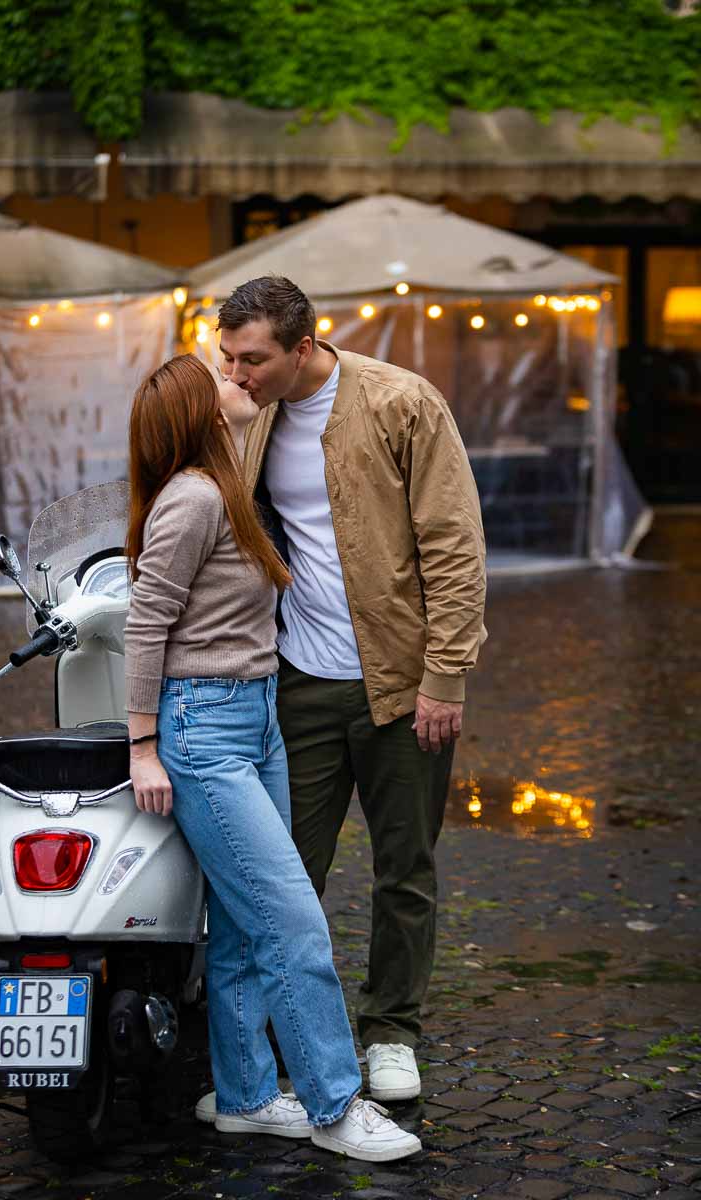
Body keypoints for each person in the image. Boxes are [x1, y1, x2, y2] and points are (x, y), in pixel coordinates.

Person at [123, 353, 422, 1162]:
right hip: (204, 731)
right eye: (221, 377)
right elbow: (146, 623)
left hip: (256, 719)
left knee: (244, 928)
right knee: (291, 919)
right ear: (203, 415)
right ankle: (333, 1105)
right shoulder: (191, 499)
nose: (239, 379)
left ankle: (249, 1095)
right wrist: (143, 745)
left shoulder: (224, 491)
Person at [216, 277, 486, 1103]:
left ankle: (392, 1030)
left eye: (252, 358)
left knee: (405, 867)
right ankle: (284, 1033)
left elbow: (454, 546)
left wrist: (446, 675)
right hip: (296, 682)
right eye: (227, 355)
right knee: (286, 871)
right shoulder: (243, 411)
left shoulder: (401, 402)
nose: (236, 372)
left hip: (403, 685)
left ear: (304, 348)